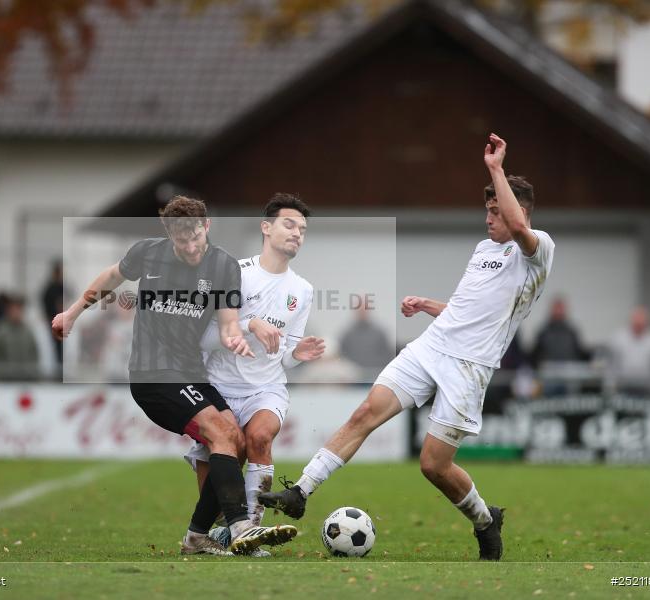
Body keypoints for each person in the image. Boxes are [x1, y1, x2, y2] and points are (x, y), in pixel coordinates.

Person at [260, 134, 555, 561]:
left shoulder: (537, 248)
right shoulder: (482, 249)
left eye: (496, 211)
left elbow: (519, 229)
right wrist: (428, 305)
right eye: (486, 209)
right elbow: (470, 309)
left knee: (434, 465)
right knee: (365, 412)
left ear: (518, 211)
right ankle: (301, 491)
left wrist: (495, 168)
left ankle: (485, 520)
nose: (488, 218)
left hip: (469, 367)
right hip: (431, 348)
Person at [52, 195, 298, 556]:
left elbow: (228, 322)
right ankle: (241, 526)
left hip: (192, 374)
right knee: (222, 433)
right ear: (169, 235)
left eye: (196, 236)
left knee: (238, 441)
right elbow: (111, 276)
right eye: (182, 240)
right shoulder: (148, 253)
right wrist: (73, 312)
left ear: (207, 226)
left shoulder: (224, 266)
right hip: (153, 375)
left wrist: (237, 340)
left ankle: (198, 536)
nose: (191, 246)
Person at [184, 194, 325, 556]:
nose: (297, 234)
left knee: (259, 437)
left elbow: (285, 359)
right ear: (266, 228)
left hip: (266, 387)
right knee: (216, 484)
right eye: (289, 225)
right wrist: (249, 325)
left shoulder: (303, 290)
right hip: (218, 387)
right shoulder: (235, 272)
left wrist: (299, 354)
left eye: (303, 229)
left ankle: (253, 533)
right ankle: (216, 534)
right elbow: (204, 338)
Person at [605, 306, 650, 396]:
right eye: (636, 323)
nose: (638, 326)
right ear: (631, 321)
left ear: (647, 323)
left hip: (649, 391)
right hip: (622, 388)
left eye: (641, 324)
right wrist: (610, 386)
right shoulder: (618, 338)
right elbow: (610, 364)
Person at [339, 298, 394, 379]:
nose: (362, 313)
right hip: (353, 379)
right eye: (360, 310)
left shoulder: (379, 333)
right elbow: (342, 357)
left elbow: (388, 356)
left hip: (375, 377)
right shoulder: (347, 335)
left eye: (364, 310)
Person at [0, 294, 39, 381]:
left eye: (19, 309)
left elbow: (34, 354)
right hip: (5, 382)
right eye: (14, 309)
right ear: (8, 311)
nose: (16, 312)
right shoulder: (1, 331)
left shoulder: (28, 331)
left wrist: (32, 375)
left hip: (26, 380)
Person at [41, 260, 65, 363]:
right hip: (54, 321)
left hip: (57, 320)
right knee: (56, 345)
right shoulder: (52, 288)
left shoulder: (56, 287)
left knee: (58, 345)